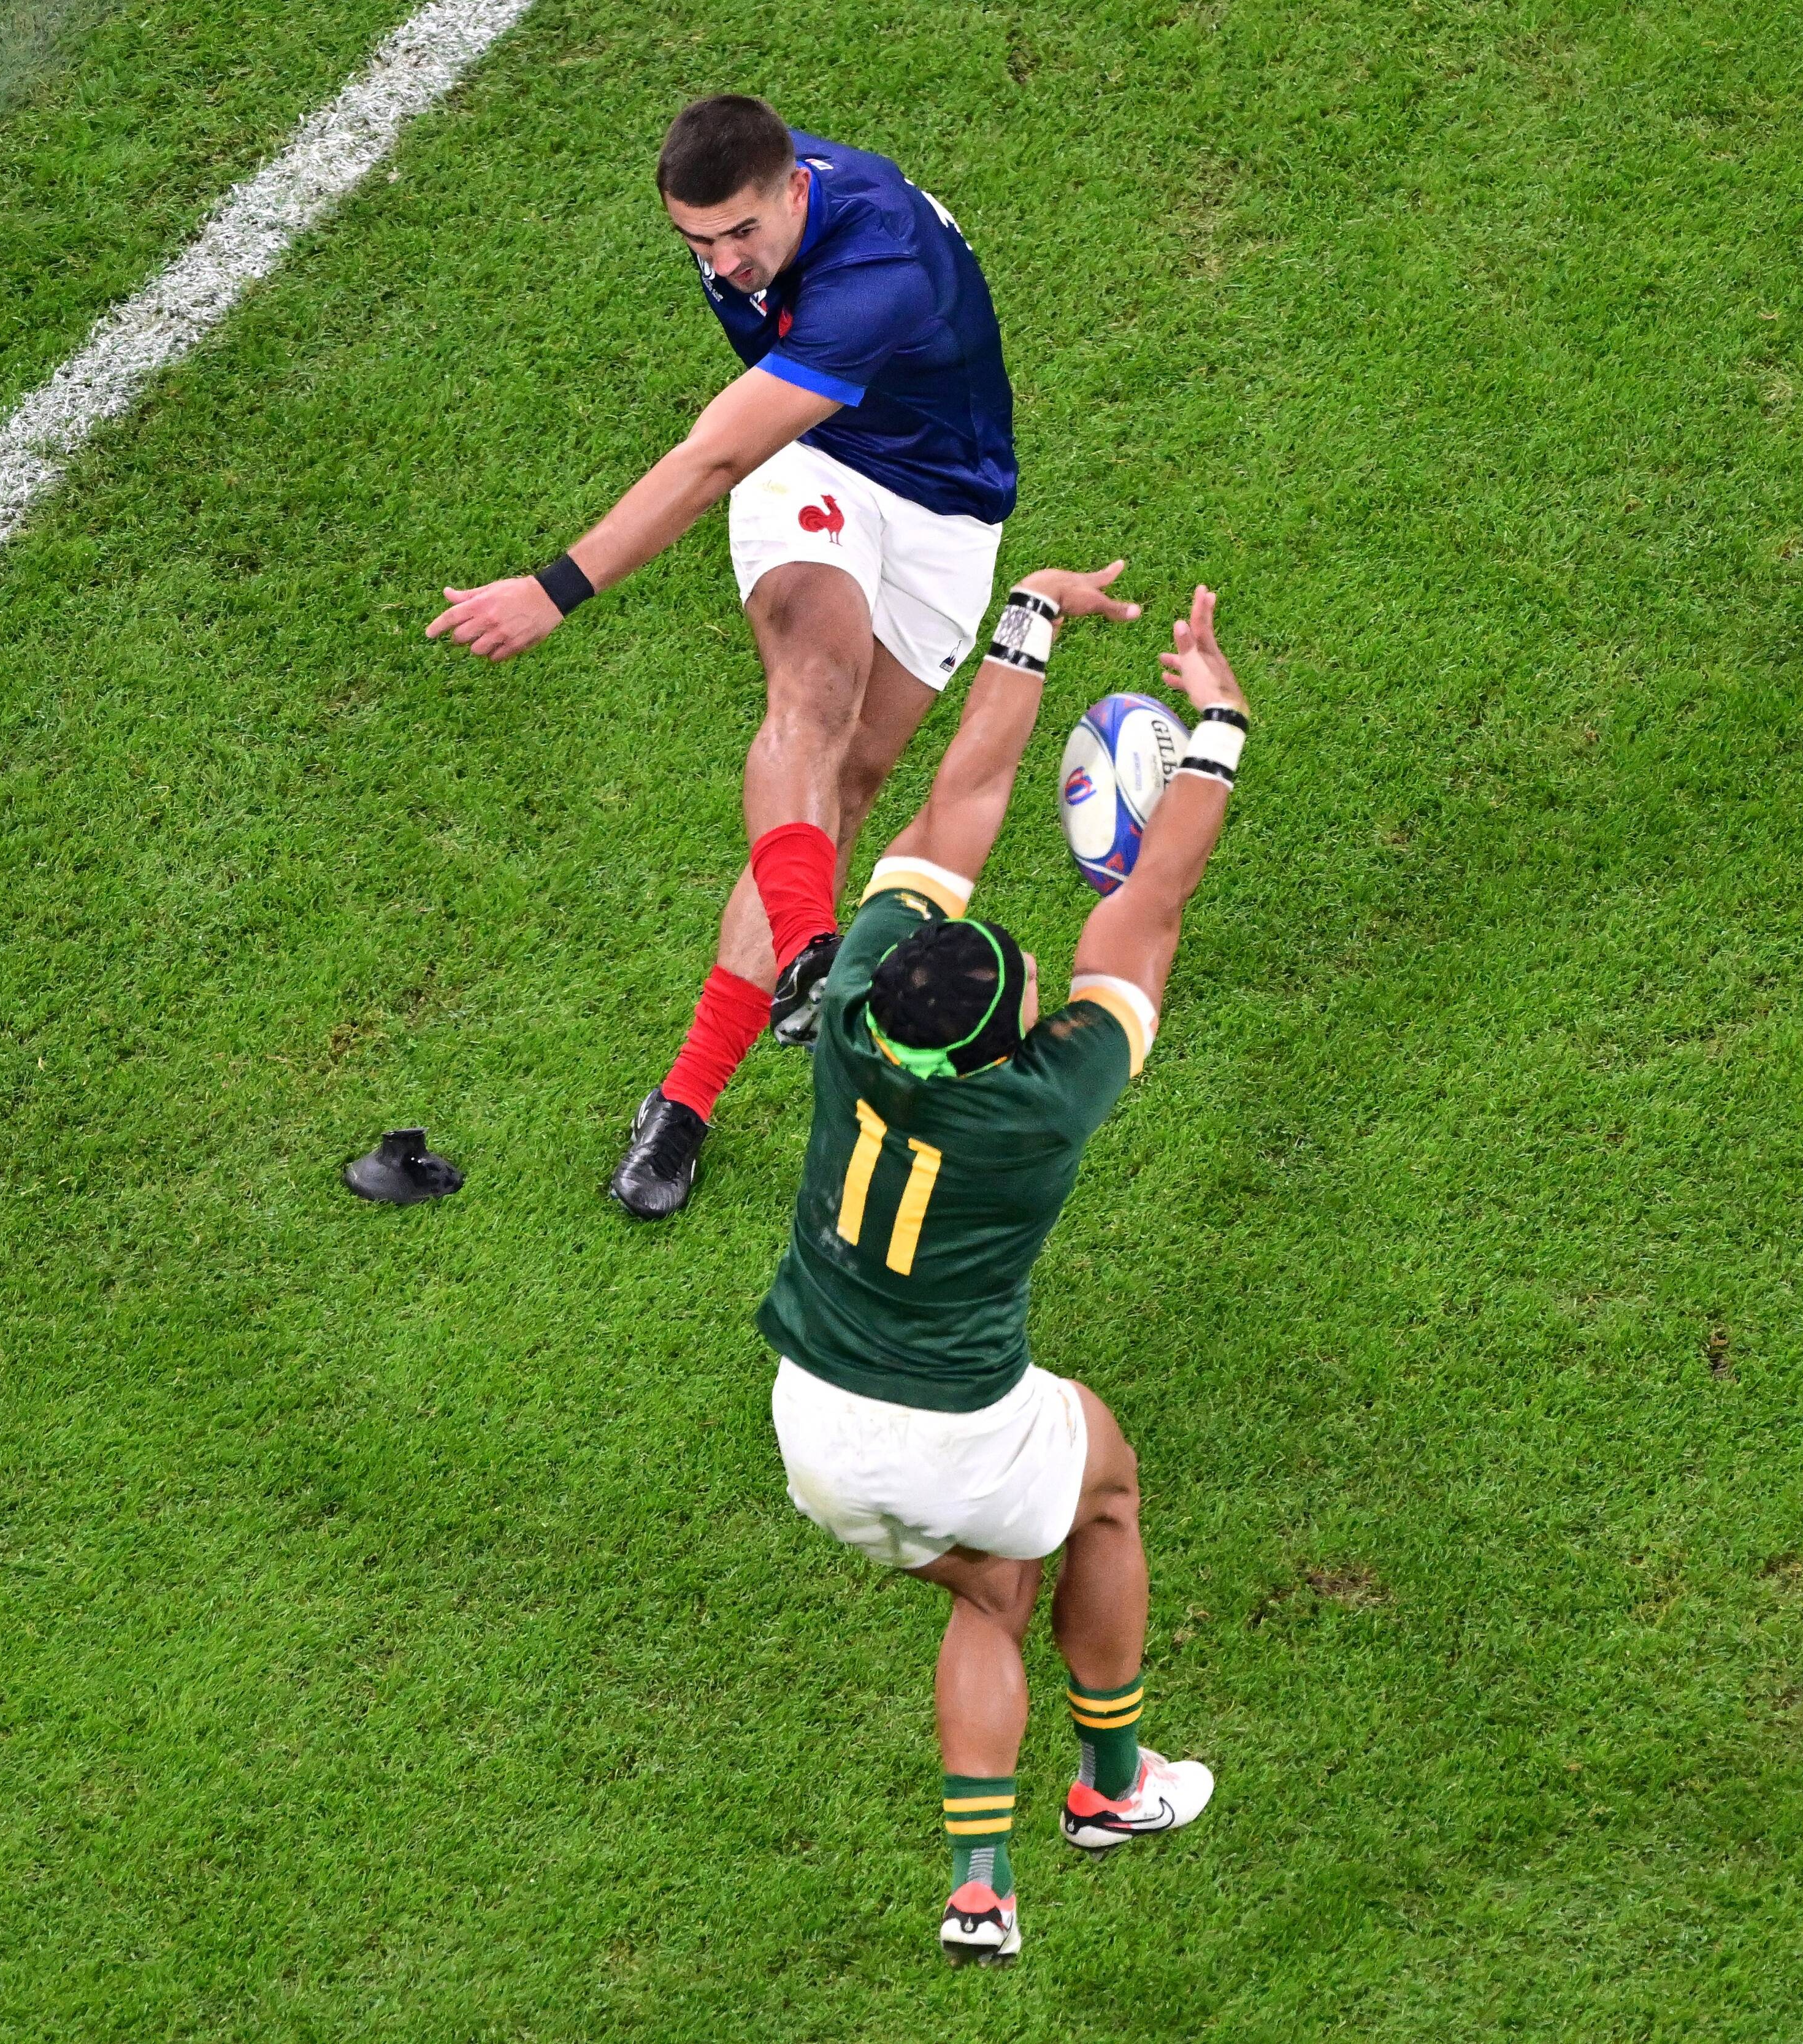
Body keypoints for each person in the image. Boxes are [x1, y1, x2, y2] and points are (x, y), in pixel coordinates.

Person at [426, 93, 1048, 1219]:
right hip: (813, 453)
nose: (722, 264)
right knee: (814, 687)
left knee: (845, 784)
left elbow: (710, 458)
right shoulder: (749, 207)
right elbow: (743, 450)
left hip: (946, 511)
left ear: (797, 190)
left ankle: (784, 977)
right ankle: (701, 1082)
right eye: (697, 242)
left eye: (741, 237)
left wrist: (551, 591)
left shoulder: (878, 270)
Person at [757, 569, 1254, 1963]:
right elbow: (1150, 904)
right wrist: (1216, 734)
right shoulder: (1040, 1103)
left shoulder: (858, 1007)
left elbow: (956, 805)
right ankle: (1113, 1787)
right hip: (955, 1427)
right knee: (1106, 1482)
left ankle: (982, 1889)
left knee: (992, 1588)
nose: (1032, 970)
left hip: (813, 1425)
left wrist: (1026, 619)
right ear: (1005, 1040)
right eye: (1025, 982)